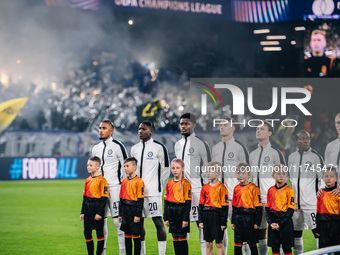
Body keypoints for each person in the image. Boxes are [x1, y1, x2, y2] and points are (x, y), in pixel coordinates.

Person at [130, 120, 170, 255]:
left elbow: (166, 170)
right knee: (138, 223)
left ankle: (161, 253)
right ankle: (142, 252)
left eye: (143, 129)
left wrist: (159, 187)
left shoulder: (159, 148)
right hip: (137, 193)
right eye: (139, 129)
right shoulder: (134, 149)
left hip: (153, 192)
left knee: (158, 222)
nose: (140, 131)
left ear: (151, 131)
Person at [174, 112, 211, 255]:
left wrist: (207, 191)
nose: (183, 126)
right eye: (182, 124)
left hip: (197, 190)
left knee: (201, 225)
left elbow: (209, 168)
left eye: (186, 124)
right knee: (182, 226)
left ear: (193, 125)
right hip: (180, 192)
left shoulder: (202, 144)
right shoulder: (178, 144)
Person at [211, 117, 249, 254]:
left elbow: (247, 171)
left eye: (225, 125)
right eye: (220, 125)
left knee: (241, 230)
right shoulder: (215, 148)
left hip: (236, 197)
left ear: (233, 128)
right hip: (218, 198)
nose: (222, 127)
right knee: (220, 231)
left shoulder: (239, 147)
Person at [91, 119, 128, 255]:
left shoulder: (118, 146)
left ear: (111, 131)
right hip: (100, 190)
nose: (101, 130)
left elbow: (127, 167)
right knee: (100, 221)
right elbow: (94, 169)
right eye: (100, 128)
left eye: (104, 128)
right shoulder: (96, 148)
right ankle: (102, 252)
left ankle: (122, 252)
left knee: (118, 223)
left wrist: (124, 187)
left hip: (115, 188)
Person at [249, 121, 285, 255]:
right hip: (255, 201)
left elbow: (283, 176)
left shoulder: (276, 153)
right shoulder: (252, 154)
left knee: (277, 231)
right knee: (259, 231)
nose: (258, 131)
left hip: (273, 200)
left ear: (269, 133)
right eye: (257, 129)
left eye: (262, 129)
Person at [288, 130, 324, 254]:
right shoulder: (292, 157)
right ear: (296, 141)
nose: (306, 141)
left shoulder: (315, 157)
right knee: (296, 233)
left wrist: (319, 197)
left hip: (311, 203)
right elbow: (291, 178)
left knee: (317, 232)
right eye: (302, 139)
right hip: (295, 204)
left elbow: (322, 179)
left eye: (307, 138)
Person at [231, 163, 262, 255]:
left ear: (249, 175)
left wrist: (257, 222)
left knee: (252, 243)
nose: (240, 176)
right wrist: (233, 221)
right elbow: (234, 206)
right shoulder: (236, 188)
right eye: (238, 173)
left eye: (243, 173)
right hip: (238, 218)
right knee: (237, 242)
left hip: (250, 218)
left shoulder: (254, 188)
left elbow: (258, 207)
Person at [80, 156, 108, 255]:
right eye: (88, 165)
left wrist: (99, 213)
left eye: (91, 165)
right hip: (88, 207)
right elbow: (84, 197)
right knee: (87, 233)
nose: (88, 167)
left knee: (99, 233)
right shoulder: (87, 180)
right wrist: (82, 212)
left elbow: (104, 198)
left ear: (97, 166)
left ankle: (99, 253)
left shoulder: (102, 180)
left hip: (96, 206)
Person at [198, 161, 228, 255]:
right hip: (207, 216)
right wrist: (201, 220)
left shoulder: (222, 188)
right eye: (207, 171)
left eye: (211, 171)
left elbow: (225, 207)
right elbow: (201, 206)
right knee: (208, 243)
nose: (208, 173)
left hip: (217, 216)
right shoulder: (204, 188)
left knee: (219, 243)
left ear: (218, 173)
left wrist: (223, 222)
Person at [265, 164, 295, 255]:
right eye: (278, 173)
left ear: (286, 176)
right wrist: (271, 223)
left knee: (287, 248)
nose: (281, 176)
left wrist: (280, 224)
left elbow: (291, 209)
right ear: (273, 176)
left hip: (285, 222)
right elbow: (267, 208)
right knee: (275, 248)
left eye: (284, 174)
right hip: (273, 221)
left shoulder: (289, 190)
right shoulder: (270, 190)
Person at [164, 158, 192, 255]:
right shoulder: (169, 184)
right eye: (173, 168)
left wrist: (185, 219)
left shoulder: (186, 183)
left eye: (177, 168)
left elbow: (188, 203)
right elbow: (166, 202)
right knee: (175, 237)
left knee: (182, 237)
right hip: (171, 213)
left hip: (181, 211)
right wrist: (166, 217)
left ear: (182, 168)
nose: (175, 170)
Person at [118, 157, 145, 255]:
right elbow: (121, 198)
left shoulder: (139, 182)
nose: (125, 168)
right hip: (125, 211)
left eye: (127, 166)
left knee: (136, 236)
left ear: (134, 167)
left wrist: (138, 215)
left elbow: (140, 200)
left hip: (134, 211)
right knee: (127, 236)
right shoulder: (124, 181)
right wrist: (120, 214)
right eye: (124, 166)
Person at [315, 166, 340, 252]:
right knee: (323, 251)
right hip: (323, 227)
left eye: (331, 176)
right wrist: (317, 228)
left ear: (336, 179)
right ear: (322, 178)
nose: (329, 179)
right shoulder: (321, 194)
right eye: (326, 176)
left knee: (337, 250)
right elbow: (318, 211)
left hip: (336, 226)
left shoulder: (338, 194)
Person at [324, 113, 340, 194]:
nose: (339, 125)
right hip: (332, 192)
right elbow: (327, 170)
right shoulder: (330, 146)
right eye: (338, 123)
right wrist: (323, 188)